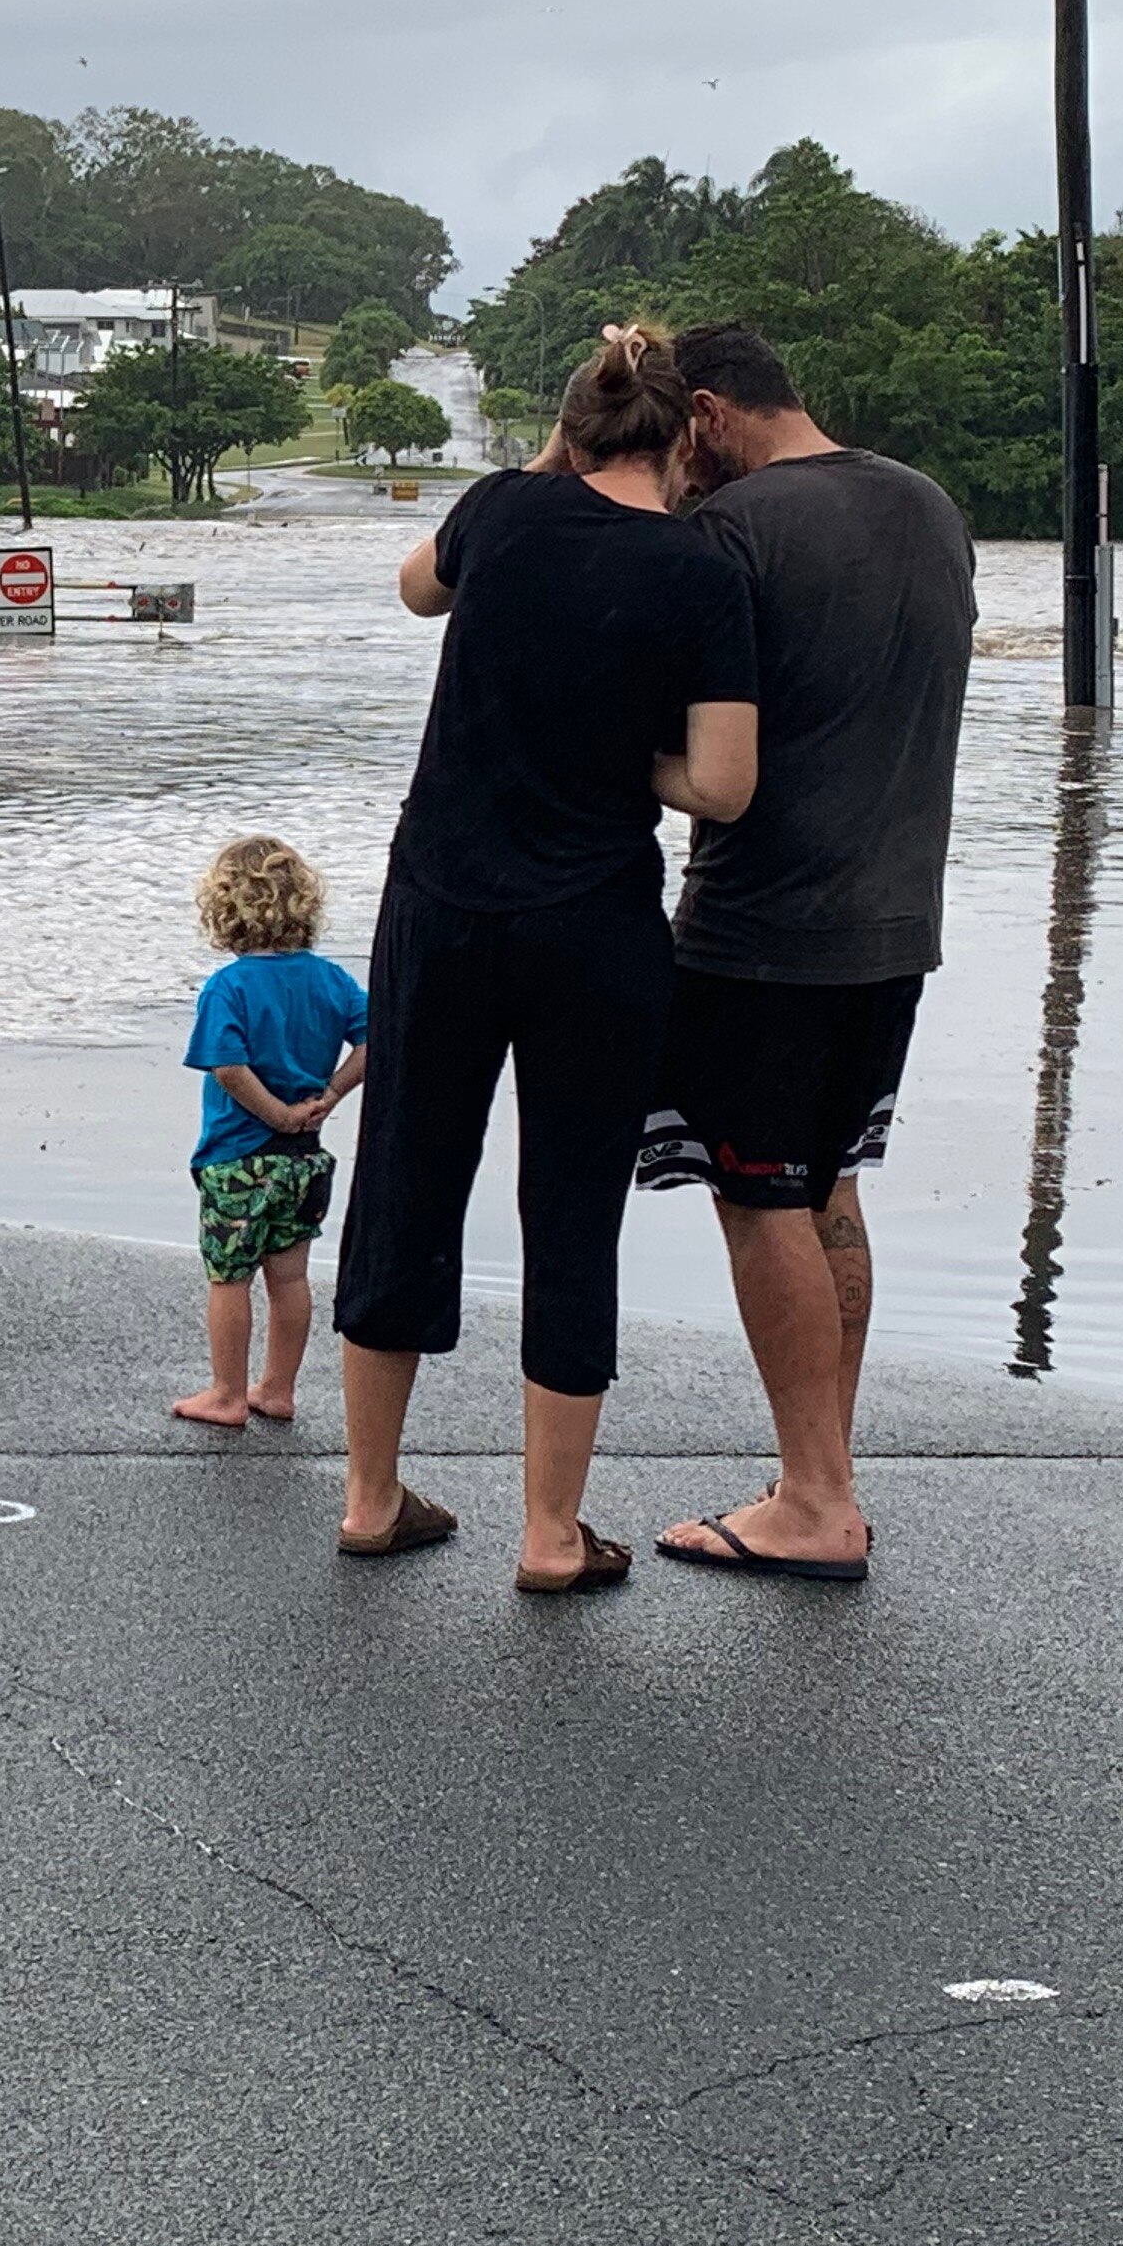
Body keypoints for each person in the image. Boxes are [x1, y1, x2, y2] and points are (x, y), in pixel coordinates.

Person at [334, 327, 757, 1592]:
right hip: (595, 925)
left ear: (569, 431)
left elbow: (417, 587)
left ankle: (369, 1498)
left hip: (442, 906)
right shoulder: (702, 571)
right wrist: (630, 760)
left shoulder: (500, 516)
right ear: (687, 440)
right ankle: (551, 1533)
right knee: (570, 1215)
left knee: (406, 1178)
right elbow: (726, 789)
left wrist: (538, 464)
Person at [642, 320, 975, 1583]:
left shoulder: (735, 532)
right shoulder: (928, 506)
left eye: (682, 440)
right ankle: (819, 1471)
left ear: (712, 415)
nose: (679, 463)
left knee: (761, 1194)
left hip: (765, 927)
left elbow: (690, 737)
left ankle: (817, 1502)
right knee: (830, 1185)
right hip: (898, 922)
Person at [170, 837, 370, 1432]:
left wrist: (275, 1114)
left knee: (229, 1276)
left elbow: (227, 1066)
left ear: (224, 910)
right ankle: (278, 1389)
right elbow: (377, 1039)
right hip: (304, 1159)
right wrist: (330, 1095)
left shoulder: (229, 987)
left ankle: (227, 1393)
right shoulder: (330, 979)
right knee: (290, 1276)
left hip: (239, 1154)